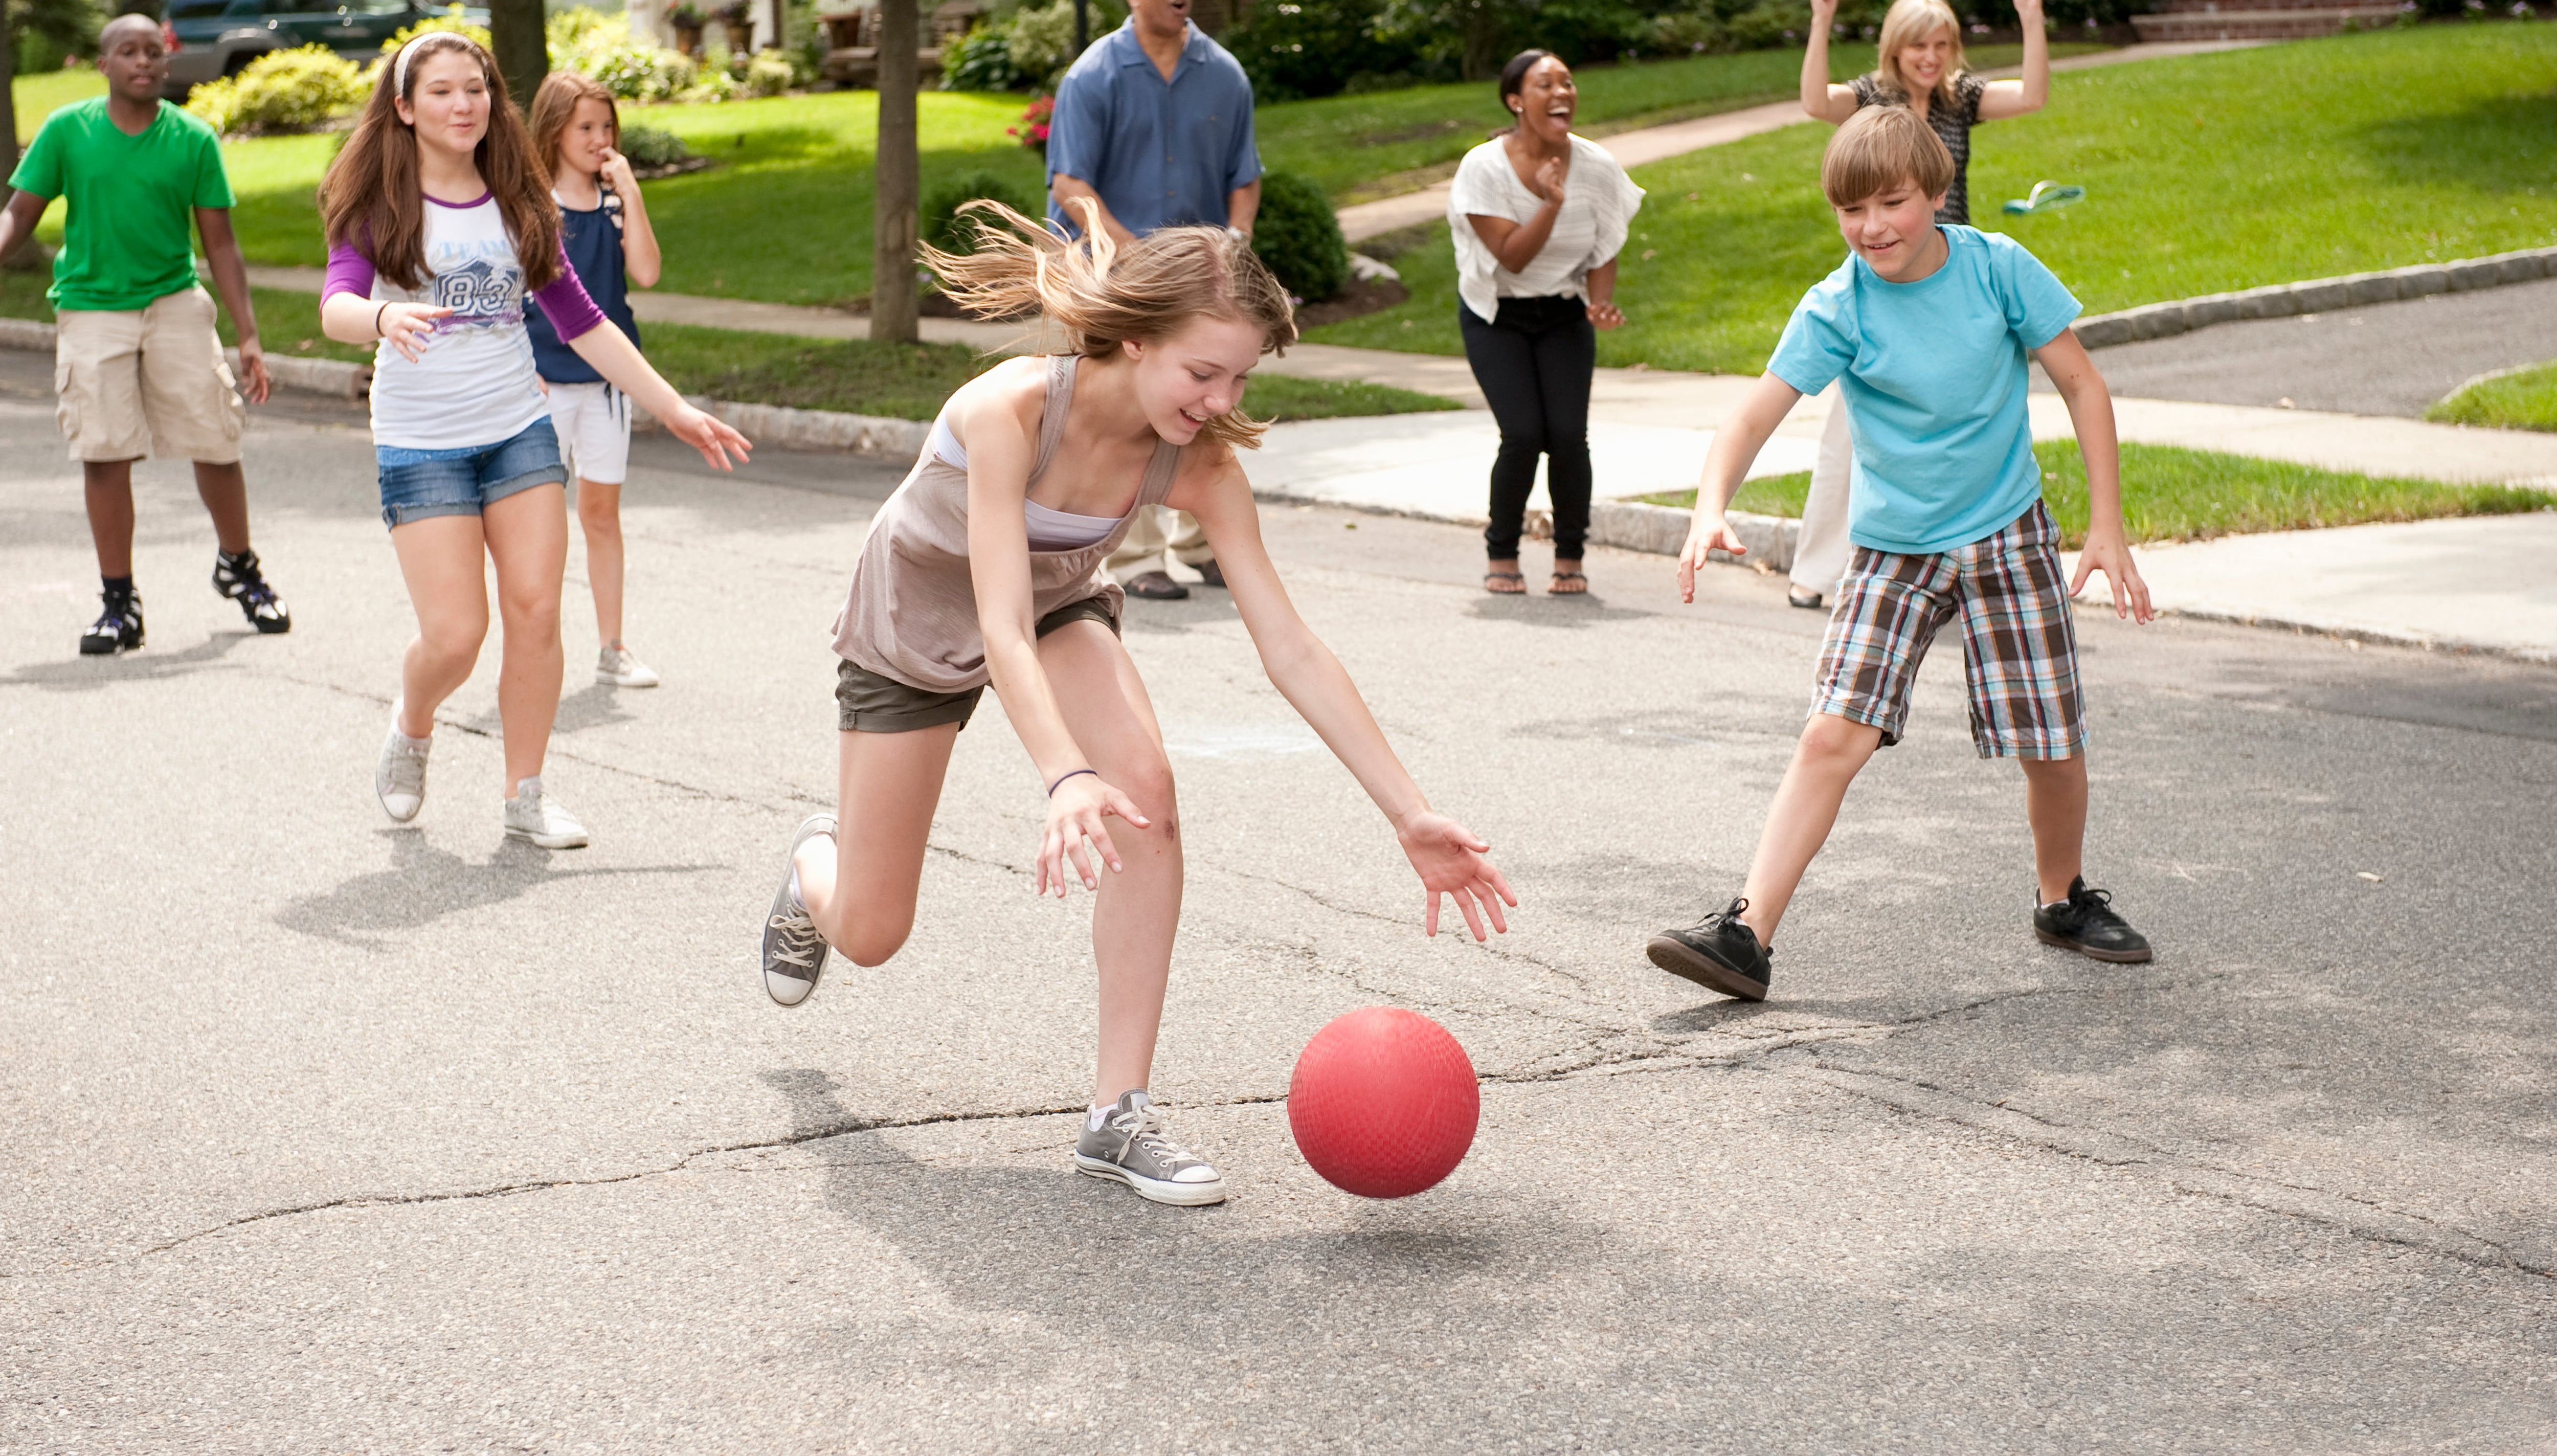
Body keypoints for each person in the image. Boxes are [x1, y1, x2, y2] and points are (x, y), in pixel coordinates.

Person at [755, 200, 1516, 1207]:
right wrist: (1062, 774)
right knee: (870, 931)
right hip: (917, 625)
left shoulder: (1196, 461)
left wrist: (1405, 809)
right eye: (1204, 371)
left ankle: (1118, 1112)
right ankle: (819, 866)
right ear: (1133, 336)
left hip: (1058, 602)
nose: (1220, 398)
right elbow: (997, 623)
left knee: (1145, 788)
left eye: (1240, 376)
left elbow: (1287, 645)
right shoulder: (1009, 411)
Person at [1645, 107, 2153, 1005]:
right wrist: (1709, 505)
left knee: (2051, 738)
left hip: (2005, 529)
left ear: (1936, 194)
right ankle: (1746, 933)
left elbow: (2082, 380)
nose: (1873, 226)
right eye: (1852, 209)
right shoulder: (1838, 304)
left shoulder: (1997, 268)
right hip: (1895, 551)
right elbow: (1754, 413)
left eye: (1893, 202)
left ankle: (2063, 898)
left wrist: (2105, 524)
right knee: (1833, 729)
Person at [317, 32, 749, 848]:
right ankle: (413, 722)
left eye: (474, 88)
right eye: (440, 92)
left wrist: (674, 408)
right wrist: (383, 315)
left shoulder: (517, 200)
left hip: (517, 428)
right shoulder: (381, 203)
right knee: (455, 636)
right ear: (405, 108)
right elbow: (336, 304)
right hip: (421, 440)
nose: (462, 104)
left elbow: (583, 320)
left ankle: (525, 792)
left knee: (538, 610)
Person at [0, 13, 291, 657]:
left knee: (215, 439)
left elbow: (221, 244)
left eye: (154, 52)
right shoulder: (66, 132)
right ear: (104, 66)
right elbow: (19, 217)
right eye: (128, 53)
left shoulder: (190, 138)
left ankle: (238, 566)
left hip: (173, 302)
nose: (144, 62)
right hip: (91, 306)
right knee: (104, 451)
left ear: (166, 61)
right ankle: (118, 603)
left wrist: (248, 335)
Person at [1787, 0, 2050, 611]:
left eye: (1939, 45)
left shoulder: (1960, 100)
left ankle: (1960, 569)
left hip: (1951, 283)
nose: (1929, 58)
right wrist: (1820, 21)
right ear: (1893, 50)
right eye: (1916, 47)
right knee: (1847, 437)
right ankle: (1818, 569)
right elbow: (1811, 104)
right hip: (1887, 285)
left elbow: (2032, 96)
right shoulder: (1871, 100)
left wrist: (2031, 17)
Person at [1046, 0, 1262, 603]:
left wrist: (1235, 246)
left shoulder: (1225, 74)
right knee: (1128, 409)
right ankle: (1137, 554)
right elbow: (1069, 185)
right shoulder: (1093, 75)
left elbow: (1243, 177)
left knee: (1206, 397)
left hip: (1202, 288)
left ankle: (1201, 542)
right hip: (1117, 280)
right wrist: (1132, 257)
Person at [1448, 50, 1642, 597]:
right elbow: (1510, 256)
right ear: (1516, 101)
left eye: (1567, 82)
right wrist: (1551, 204)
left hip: (1561, 311)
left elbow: (1606, 245)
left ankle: (1569, 555)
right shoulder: (1482, 167)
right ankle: (1502, 552)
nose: (1562, 91)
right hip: (1495, 314)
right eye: (1544, 84)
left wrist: (1598, 303)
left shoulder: (1597, 166)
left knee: (1567, 436)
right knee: (1522, 435)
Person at [526, 71, 664, 690]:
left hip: (607, 385)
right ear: (554, 130)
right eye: (585, 126)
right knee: (541, 522)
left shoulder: (610, 201)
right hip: (544, 385)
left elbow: (647, 272)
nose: (599, 137)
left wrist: (631, 193)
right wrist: (525, 372)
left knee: (601, 515)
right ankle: (538, 646)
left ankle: (613, 648)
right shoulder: (529, 206)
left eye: (606, 126)